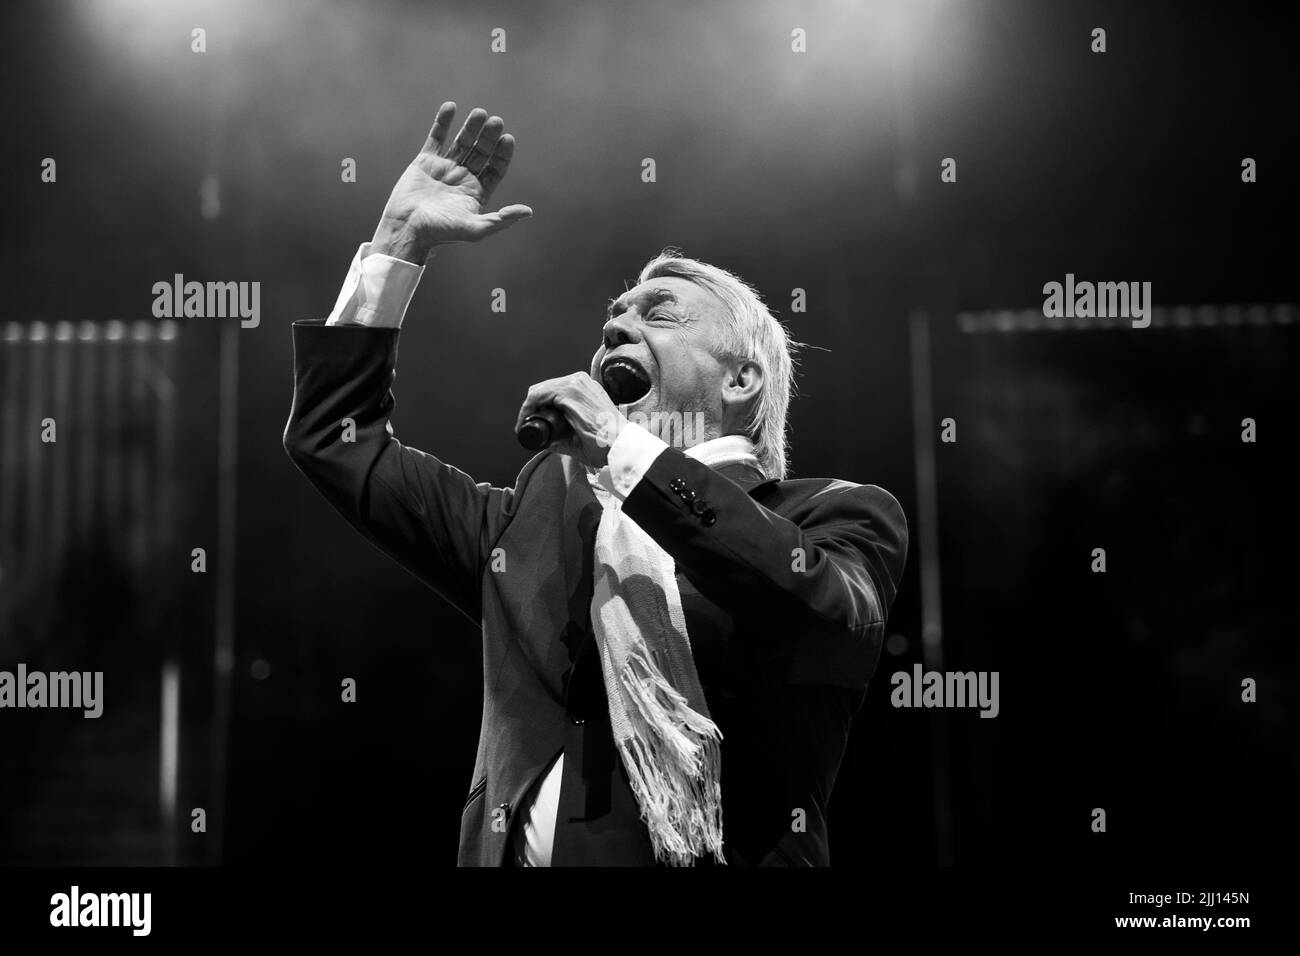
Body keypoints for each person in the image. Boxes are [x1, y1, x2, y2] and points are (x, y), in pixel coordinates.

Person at [283, 102, 908, 866]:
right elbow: (336, 444)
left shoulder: (837, 515)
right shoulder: (539, 518)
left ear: (742, 379)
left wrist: (624, 447)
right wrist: (397, 243)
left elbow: (824, 622)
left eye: (660, 312)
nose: (616, 325)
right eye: (614, 314)